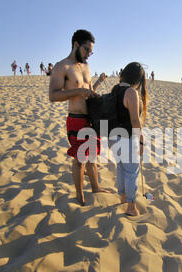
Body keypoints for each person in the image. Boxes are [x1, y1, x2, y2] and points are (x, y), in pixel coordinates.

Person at [49, 29, 109, 206]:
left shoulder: (86, 67)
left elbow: (88, 93)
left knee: (93, 158)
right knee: (80, 159)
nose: (89, 54)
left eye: (91, 51)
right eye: (86, 50)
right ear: (76, 44)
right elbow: (53, 95)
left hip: (91, 118)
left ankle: (96, 187)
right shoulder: (62, 66)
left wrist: (97, 84)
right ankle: (79, 193)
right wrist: (78, 91)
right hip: (76, 119)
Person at [111, 62, 148, 217]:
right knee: (132, 172)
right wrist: (141, 140)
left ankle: (123, 197)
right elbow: (134, 120)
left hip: (113, 137)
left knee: (121, 167)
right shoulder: (131, 93)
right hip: (126, 138)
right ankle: (131, 207)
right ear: (138, 79)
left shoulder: (115, 89)